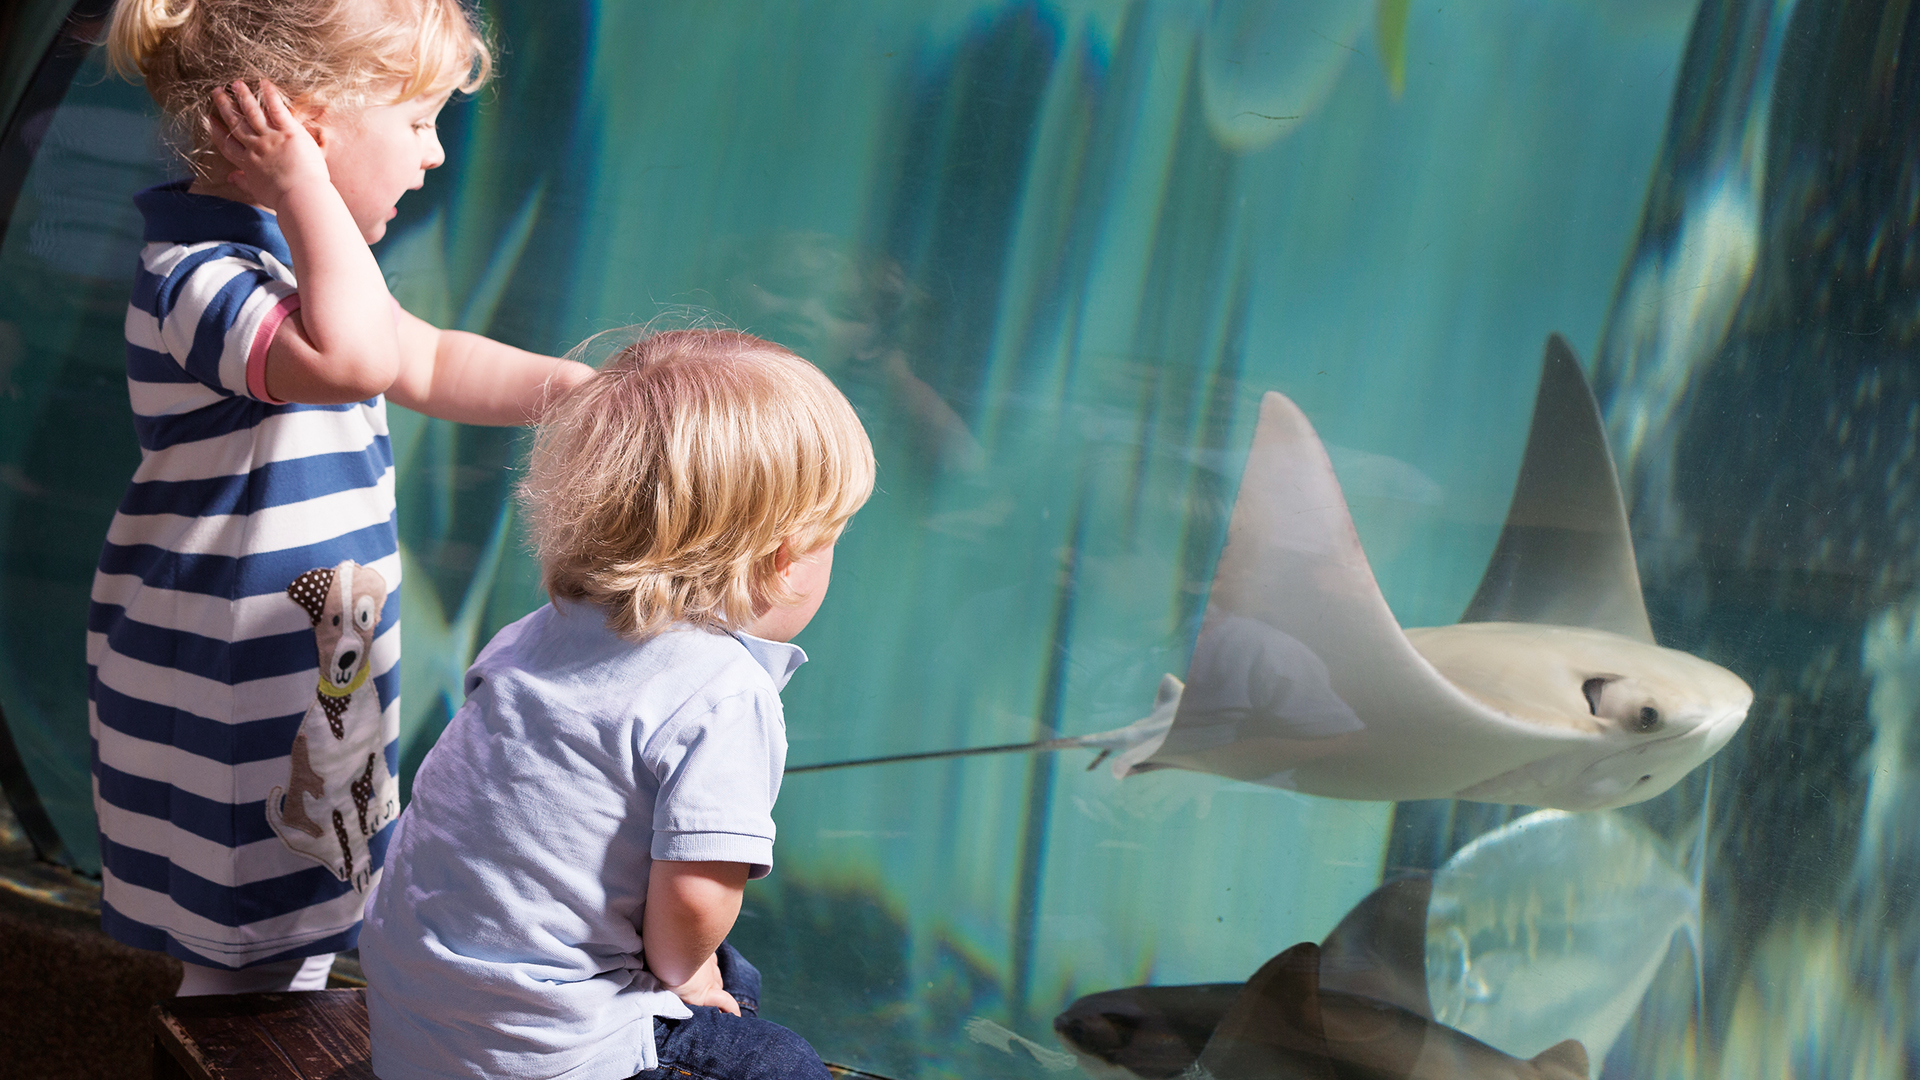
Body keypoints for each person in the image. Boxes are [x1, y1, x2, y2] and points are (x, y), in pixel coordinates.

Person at [90, 0, 592, 995]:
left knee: (297, 941)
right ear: (304, 129)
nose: (436, 156)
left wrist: (590, 393)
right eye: (417, 123)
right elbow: (360, 357)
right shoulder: (201, 274)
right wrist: (304, 190)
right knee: (248, 967)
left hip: (302, 677)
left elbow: (433, 359)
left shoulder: (294, 269)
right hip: (233, 688)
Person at [359, 328, 872, 1080]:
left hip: (416, 1017)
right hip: (538, 1054)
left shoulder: (544, 627)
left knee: (731, 975)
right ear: (785, 558)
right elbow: (693, 905)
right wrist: (690, 980)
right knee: (779, 1058)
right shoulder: (725, 693)